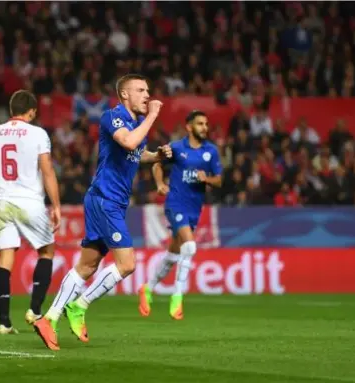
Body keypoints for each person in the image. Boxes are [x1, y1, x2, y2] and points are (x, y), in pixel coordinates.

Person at [34, 74, 171, 350]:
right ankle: (79, 305)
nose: (147, 95)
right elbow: (130, 143)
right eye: (140, 90)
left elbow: (136, 152)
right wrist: (153, 116)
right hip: (106, 200)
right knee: (127, 264)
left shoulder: (133, 124)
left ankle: (49, 317)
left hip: (109, 201)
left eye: (148, 90)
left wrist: (155, 156)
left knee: (87, 265)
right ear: (124, 95)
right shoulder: (113, 117)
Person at [0, 90, 61, 335]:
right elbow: (47, 170)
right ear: (32, 111)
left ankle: (4, 322)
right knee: (47, 251)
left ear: (10, 110)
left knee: (4, 260)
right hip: (29, 201)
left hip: (1, 202)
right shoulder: (38, 133)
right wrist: (56, 205)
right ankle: (35, 309)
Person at [138, 111, 222, 320]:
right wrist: (159, 184)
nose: (205, 127)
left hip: (195, 208)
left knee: (174, 254)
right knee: (190, 246)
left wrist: (208, 179)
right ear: (189, 127)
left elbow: (219, 180)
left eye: (206, 124)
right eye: (200, 124)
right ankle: (177, 296)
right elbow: (157, 164)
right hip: (175, 204)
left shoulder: (211, 151)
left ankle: (147, 288)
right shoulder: (176, 148)